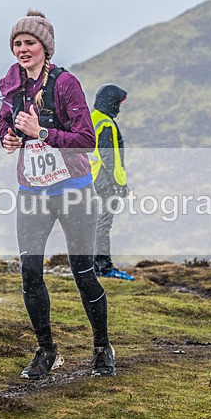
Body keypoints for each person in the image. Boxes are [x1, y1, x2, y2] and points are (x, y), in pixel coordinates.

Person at [0, 10, 115, 379]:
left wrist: (43, 132)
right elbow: (4, 122)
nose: (22, 49)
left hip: (74, 191)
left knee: (83, 272)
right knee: (30, 273)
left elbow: (86, 140)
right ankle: (47, 351)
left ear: (45, 47)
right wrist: (9, 137)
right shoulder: (11, 85)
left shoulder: (65, 84)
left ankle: (101, 348)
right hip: (31, 192)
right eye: (17, 43)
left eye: (29, 42)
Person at [91, 84, 135, 281]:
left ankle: (94, 265)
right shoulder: (106, 124)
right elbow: (111, 158)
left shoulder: (93, 118)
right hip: (106, 181)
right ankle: (103, 266)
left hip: (91, 178)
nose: (118, 108)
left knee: (96, 223)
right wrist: (120, 184)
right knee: (104, 223)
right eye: (117, 103)